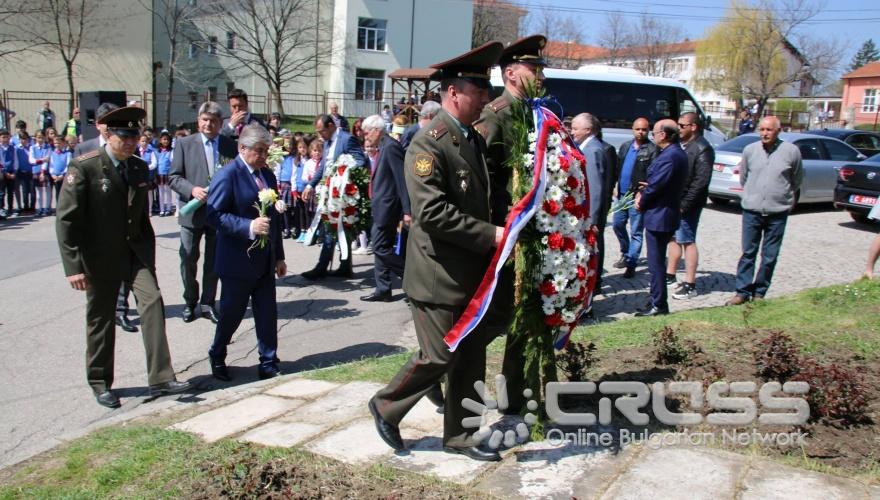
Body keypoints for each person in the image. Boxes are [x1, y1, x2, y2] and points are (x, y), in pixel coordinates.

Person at [369, 41, 506, 462]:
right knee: (440, 354)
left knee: (471, 355)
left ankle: (462, 436)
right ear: (452, 92)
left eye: (486, 91)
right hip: (437, 274)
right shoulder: (429, 143)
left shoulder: (471, 138)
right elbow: (431, 213)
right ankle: (386, 406)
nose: (485, 98)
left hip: (470, 272)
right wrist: (492, 235)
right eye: (478, 90)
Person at [55, 106, 190, 408]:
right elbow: (67, 220)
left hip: (134, 253)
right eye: (124, 137)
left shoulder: (139, 167)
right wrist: (73, 266)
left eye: (134, 137)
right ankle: (100, 381)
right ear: (109, 135)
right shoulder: (85, 167)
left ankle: (161, 377)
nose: (130, 143)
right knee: (101, 318)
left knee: (152, 303)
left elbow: (141, 218)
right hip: (100, 257)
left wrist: (148, 258)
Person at [473, 34, 546, 415]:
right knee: (497, 315)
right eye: (534, 68)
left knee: (525, 314)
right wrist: (497, 231)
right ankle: (441, 366)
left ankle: (514, 395)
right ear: (511, 73)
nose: (541, 76)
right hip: (506, 233)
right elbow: (483, 179)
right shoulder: (496, 114)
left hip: (533, 233)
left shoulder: (536, 114)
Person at [205, 124, 286, 381]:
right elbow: (214, 215)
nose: (263, 156)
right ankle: (217, 353)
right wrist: (248, 227)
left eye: (266, 151)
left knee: (267, 312)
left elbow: (274, 220)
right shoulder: (228, 175)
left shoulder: (267, 176)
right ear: (242, 148)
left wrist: (279, 255)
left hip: (264, 260)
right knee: (232, 314)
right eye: (258, 151)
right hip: (237, 260)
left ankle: (268, 361)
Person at [169, 101, 238, 323]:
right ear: (198, 121)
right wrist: (192, 190)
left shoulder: (230, 145)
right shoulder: (184, 144)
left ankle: (208, 303)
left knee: (214, 261)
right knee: (188, 257)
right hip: (192, 212)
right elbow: (174, 177)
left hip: (218, 213)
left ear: (220, 123)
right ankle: (190, 302)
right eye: (205, 120)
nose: (208, 124)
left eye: (213, 121)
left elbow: (235, 175)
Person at [726, 116, 802, 305]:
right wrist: (753, 194)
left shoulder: (791, 151)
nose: (765, 133)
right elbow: (744, 177)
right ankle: (742, 292)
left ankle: (759, 292)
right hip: (752, 210)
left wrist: (784, 197)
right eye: (762, 129)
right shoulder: (750, 150)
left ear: (778, 131)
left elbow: (796, 179)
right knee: (748, 253)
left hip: (777, 212)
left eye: (769, 130)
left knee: (769, 256)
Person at [300, 114, 366, 280]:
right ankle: (344, 266)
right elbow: (323, 166)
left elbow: (360, 160)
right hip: (329, 192)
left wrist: (342, 174)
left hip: (343, 192)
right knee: (336, 227)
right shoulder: (328, 142)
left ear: (330, 126)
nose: (319, 135)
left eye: (321, 131)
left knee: (335, 227)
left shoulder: (347, 139)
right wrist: (310, 185)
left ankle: (323, 267)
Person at [634, 119, 688, 317]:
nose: (652, 136)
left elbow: (657, 185)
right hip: (663, 212)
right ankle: (655, 299)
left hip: (660, 215)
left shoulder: (671, 156)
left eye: (654, 132)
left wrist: (642, 199)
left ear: (663, 135)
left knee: (655, 262)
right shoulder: (674, 153)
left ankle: (659, 304)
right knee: (655, 261)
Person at [359, 115, 410, 302]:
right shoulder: (383, 146)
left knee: (380, 247)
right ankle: (383, 289)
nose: (365, 137)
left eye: (367, 133)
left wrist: (407, 211)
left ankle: (411, 279)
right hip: (382, 207)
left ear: (376, 130)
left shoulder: (390, 147)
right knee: (381, 246)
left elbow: (401, 179)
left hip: (388, 208)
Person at [667, 112, 714, 299]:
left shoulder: (703, 148)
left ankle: (690, 284)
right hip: (675, 201)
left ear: (693, 127)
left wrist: (684, 205)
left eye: (682, 125)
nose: (678, 129)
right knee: (673, 238)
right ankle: (670, 275)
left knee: (687, 240)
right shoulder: (682, 145)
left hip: (688, 204)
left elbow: (700, 182)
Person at [612, 118, 656, 278]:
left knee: (636, 231)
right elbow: (618, 168)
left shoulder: (652, 150)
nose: (641, 132)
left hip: (637, 195)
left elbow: (654, 174)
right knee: (617, 224)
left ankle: (631, 262)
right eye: (638, 129)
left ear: (648, 131)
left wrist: (644, 192)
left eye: (644, 129)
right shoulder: (625, 146)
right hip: (622, 194)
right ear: (632, 129)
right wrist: (615, 186)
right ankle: (626, 253)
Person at [571, 113, 609, 291]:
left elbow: (594, 188)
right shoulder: (588, 146)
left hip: (588, 216)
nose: (572, 132)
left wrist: (591, 220)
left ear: (587, 129)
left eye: (575, 128)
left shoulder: (592, 150)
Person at [1, 129, 30, 217]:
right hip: (2, 173)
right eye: (3, 137)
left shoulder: (12, 148)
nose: (5, 139)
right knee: (2, 192)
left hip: (11, 172)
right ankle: (1, 208)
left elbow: (16, 161)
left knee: (11, 191)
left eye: (7, 137)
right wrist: (5, 172)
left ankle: (10, 208)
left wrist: (14, 172)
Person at [28, 130, 52, 216]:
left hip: (45, 171)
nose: (40, 139)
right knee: (39, 191)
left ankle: (47, 208)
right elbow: (31, 160)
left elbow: (47, 159)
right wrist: (41, 160)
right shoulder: (32, 147)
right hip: (35, 171)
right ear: (35, 138)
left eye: (42, 137)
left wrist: (42, 172)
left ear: (45, 137)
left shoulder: (48, 147)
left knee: (47, 190)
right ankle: (40, 208)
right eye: (38, 137)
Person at [48, 135, 72, 207]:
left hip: (64, 176)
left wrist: (62, 175)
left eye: (59, 143)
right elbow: (51, 165)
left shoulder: (68, 153)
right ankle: (58, 208)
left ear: (64, 143)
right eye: (55, 143)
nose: (57, 145)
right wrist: (52, 174)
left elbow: (68, 165)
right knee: (58, 193)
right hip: (55, 177)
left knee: (65, 193)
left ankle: (65, 207)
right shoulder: (53, 153)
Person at [155, 132, 174, 216]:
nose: (166, 141)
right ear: (160, 140)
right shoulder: (157, 151)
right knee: (161, 192)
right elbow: (155, 162)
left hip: (167, 173)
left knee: (168, 191)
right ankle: (162, 209)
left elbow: (172, 161)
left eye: (167, 139)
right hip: (159, 174)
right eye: (164, 139)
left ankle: (169, 208)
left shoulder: (171, 151)